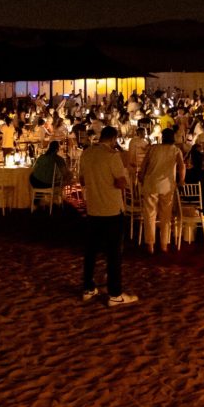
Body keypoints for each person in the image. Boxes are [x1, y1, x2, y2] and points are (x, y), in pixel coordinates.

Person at [79, 126, 137, 306]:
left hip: (93, 208)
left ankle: (88, 287)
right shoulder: (113, 156)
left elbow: (82, 180)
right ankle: (115, 293)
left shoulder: (86, 154)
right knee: (114, 254)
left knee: (90, 252)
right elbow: (121, 183)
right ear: (113, 139)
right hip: (112, 210)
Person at [138, 128, 184, 253]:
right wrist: (181, 181)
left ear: (162, 137)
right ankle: (164, 244)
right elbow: (182, 166)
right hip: (167, 186)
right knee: (166, 216)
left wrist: (141, 178)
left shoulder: (153, 148)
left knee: (150, 215)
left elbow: (143, 166)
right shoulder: (175, 150)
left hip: (151, 184)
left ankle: (150, 244)